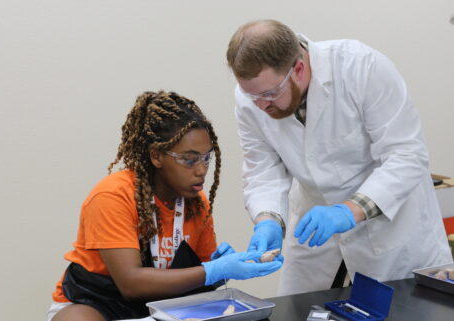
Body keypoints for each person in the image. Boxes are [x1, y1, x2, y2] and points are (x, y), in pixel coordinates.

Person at [226, 19, 453, 295]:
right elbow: (263, 169)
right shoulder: (251, 97)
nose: (262, 105)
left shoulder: (360, 67)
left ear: (298, 68)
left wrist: (349, 210)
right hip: (314, 228)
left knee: (400, 310)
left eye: (271, 94)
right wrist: (268, 220)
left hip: (389, 224)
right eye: (253, 97)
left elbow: (406, 155)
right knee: (297, 310)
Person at [47, 91, 283, 321]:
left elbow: (200, 284)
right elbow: (130, 283)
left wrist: (221, 271)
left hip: (164, 304)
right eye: (189, 159)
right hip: (97, 303)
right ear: (156, 156)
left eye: (206, 158)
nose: (202, 170)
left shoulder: (196, 204)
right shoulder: (113, 196)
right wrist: (214, 270)